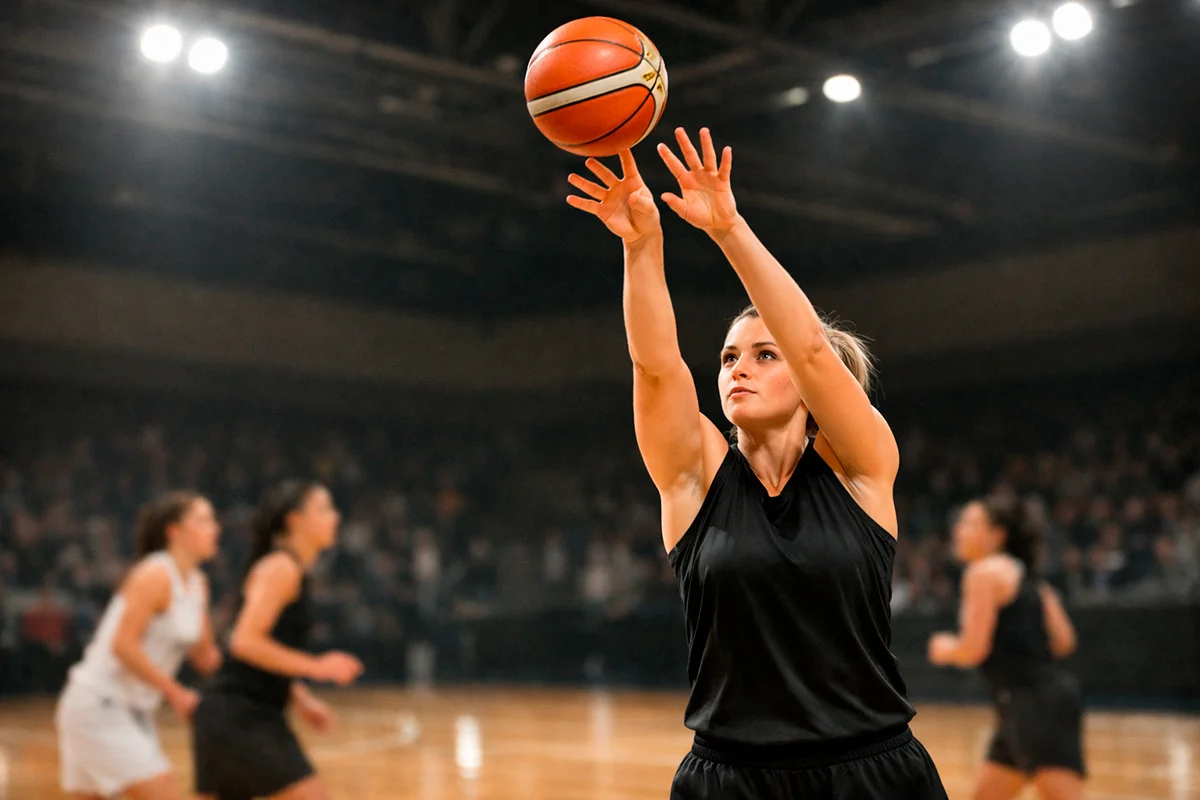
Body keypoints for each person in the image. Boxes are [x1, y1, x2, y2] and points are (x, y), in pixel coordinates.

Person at [566, 128, 947, 798]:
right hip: (731, 780)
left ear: (803, 383)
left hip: (873, 773)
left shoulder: (859, 466)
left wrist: (728, 228)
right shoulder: (695, 478)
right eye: (728, 358)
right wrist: (641, 245)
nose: (738, 368)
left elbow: (813, 349)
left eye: (761, 355)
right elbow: (655, 368)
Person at [193, 480, 363, 800]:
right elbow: (244, 642)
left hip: (241, 712)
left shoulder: (291, 568)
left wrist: (302, 700)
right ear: (294, 520)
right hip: (239, 716)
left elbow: (265, 652)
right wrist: (317, 667)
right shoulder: (281, 568)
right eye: (324, 509)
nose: (335, 517)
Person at [56, 491, 222, 800]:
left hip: (130, 711)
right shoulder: (155, 573)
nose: (216, 528)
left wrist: (263, 681)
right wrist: (175, 692)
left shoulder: (198, 583)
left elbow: (206, 656)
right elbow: (123, 645)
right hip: (100, 704)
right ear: (175, 531)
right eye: (203, 520)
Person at [929, 496, 1085, 800]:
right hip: (1032, 701)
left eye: (970, 523)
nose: (959, 530)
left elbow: (974, 650)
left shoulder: (983, 573)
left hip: (1032, 705)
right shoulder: (1029, 577)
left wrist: (945, 648)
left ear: (997, 535)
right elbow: (1065, 641)